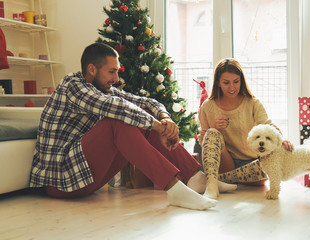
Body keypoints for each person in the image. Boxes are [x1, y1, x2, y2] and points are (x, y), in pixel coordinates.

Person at [29, 43, 235, 210]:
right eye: (111, 72)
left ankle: (196, 177)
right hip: (61, 181)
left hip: (84, 178)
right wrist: (157, 127)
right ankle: (174, 189)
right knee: (117, 120)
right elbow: (114, 107)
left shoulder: (104, 89)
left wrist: (165, 118)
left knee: (137, 118)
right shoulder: (72, 87)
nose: (116, 79)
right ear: (91, 69)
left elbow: (144, 102)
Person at [198, 58, 294, 199]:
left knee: (273, 161)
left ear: (242, 81)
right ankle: (214, 184)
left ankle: (218, 180)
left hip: (254, 164)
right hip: (226, 162)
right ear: (218, 82)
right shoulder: (207, 106)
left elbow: (268, 125)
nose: (232, 87)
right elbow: (203, 140)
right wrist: (214, 128)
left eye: (236, 81)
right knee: (212, 133)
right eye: (226, 82)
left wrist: (283, 139)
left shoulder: (252, 102)